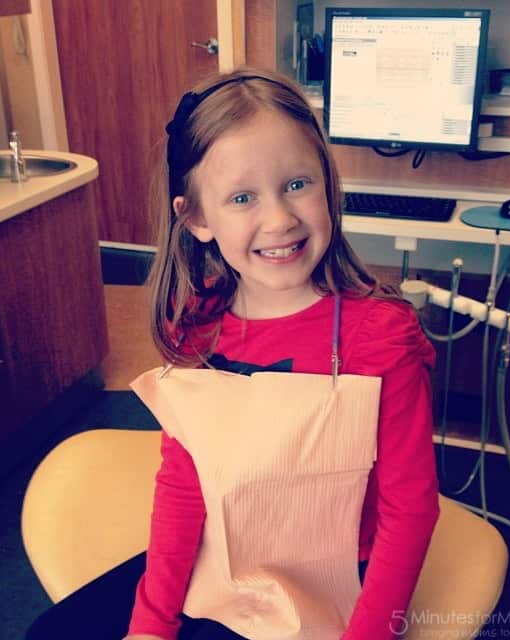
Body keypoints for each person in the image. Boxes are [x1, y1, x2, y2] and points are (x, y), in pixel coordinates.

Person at [25, 67, 439, 640]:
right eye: (243, 197)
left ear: (328, 184)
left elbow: (409, 512)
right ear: (197, 218)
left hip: (330, 580)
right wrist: (151, 623)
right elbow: (185, 485)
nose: (280, 219)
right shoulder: (198, 324)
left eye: (298, 184)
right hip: (220, 555)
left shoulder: (380, 335)